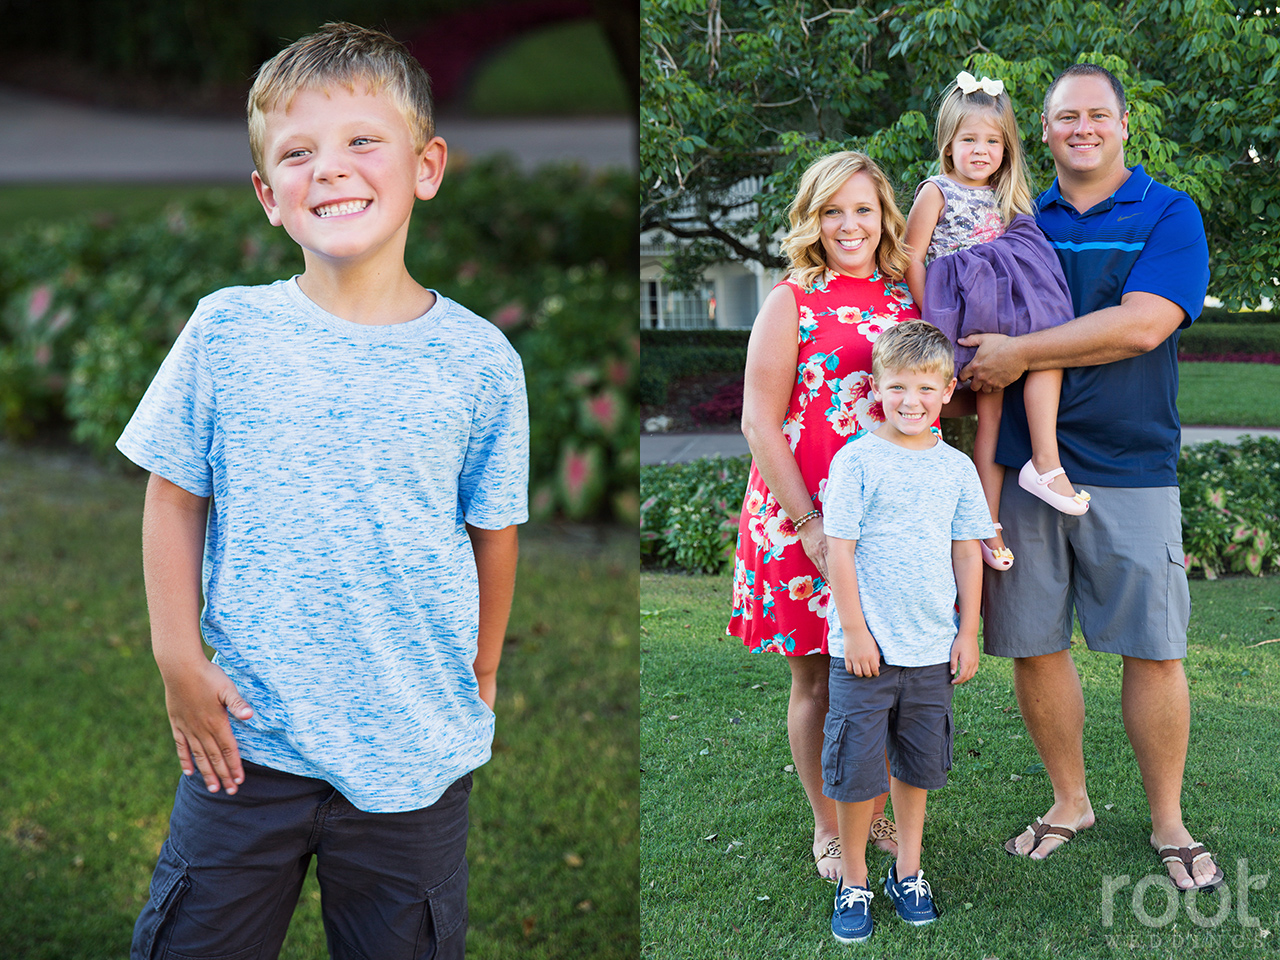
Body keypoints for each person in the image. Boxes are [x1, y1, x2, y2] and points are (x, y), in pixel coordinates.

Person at [117, 23, 529, 957]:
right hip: (246, 740)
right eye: (298, 153)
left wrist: (485, 669)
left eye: (360, 141)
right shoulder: (227, 332)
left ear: (426, 166)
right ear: (269, 195)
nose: (330, 169)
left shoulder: (479, 362)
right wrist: (178, 660)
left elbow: (491, 529)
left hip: (412, 751)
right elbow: (175, 495)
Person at [960, 63, 1219, 891]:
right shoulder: (1010, 215)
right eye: (1065, 116)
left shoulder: (1167, 211)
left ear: (1124, 123)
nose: (1082, 127)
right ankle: (1069, 801)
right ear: (1041, 130)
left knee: (1152, 647)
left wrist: (1020, 353)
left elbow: (1142, 327)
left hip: (1131, 464)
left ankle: (1169, 820)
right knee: (1033, 643)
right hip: (1016, 464)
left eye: (1096, 115)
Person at [728, 152, 914, 881]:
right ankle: (831, 827)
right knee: (817, 682)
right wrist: (809, 523)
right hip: (799, 519)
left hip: (889, 521)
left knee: (885, 678)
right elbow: (758, 422)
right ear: (812, 218)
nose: (848, 225)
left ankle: (878, 817)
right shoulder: (793, 300)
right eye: (832, 210)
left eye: (862, 210)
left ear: (883, 217)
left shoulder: (907, 300)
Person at [821, 320, 991, 942]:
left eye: (925, 387)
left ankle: (908, 871)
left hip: (930, 650)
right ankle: (856, 879)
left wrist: (967, 631)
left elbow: (967, 551)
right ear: (877, 388)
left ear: (947, 391)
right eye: (897, 387)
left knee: (917, 767)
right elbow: (840, 551)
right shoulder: (857, 460)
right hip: (864, 652)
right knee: (857, 770)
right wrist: (855, 632)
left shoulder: (956, 468)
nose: (910, 400)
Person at [905, 70, 1090, 574]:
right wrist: (931, 323)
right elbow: (912, 258)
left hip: (1005, 320)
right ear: (948, 144)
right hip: (962, 319)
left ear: (1007, 147)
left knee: (1041, 359)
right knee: (965, 429)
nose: (981, 151)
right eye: (969, 140)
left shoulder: (1007, 196)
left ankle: (1036, 472)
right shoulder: (935, 191)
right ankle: (960, 522)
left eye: (993, 141)